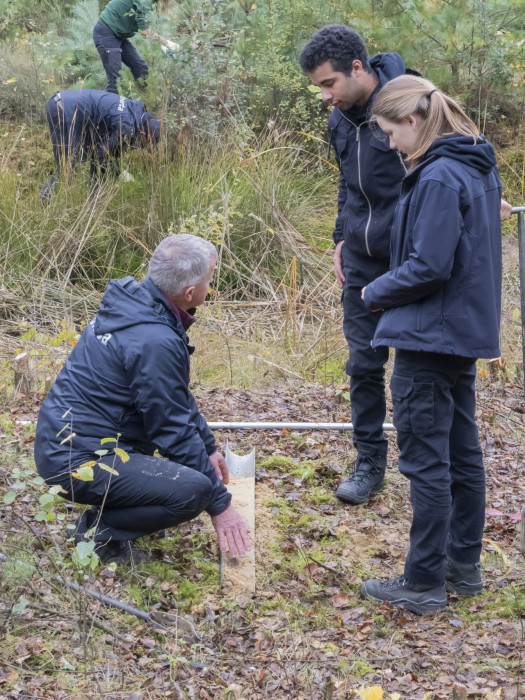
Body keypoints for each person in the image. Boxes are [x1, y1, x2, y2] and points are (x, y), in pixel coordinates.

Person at [299, 25, 512, 507]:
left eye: (329, 84)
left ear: (358, 68)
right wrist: (339, 238)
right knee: (362, 365)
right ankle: (369, 462)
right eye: (319, 88)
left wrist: (489, 196)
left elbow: (471, 148)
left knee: (426, 372)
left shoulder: (411, 105)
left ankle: (437, 469)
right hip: (360, 261)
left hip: (415, 263)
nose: (326, 96)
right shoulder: (339, 121)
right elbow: (346, 186)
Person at [359, 75, 502, 614]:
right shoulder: (473, 167)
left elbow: (430, 265)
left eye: (392, 132)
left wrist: (375, 290)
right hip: (457, 334)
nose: (391, 144)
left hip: (429, 335)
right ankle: (462, 567)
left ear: (415, 122)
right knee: (461, 453)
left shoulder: (440, 175)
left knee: (426, 461)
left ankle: (422, 581)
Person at [34, 234, 251, 565]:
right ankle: (96, 533)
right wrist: (221, 506)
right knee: (194, 491)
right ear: (189, 292)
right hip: (76, 460)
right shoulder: (153, 338)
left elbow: (173, 395)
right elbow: (172, 428)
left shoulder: (135, 306)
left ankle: (114, 512)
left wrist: (207, 447)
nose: (212, 285)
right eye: (210, 279)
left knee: (191, 465)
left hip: (66, 445)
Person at [39, 88, 161, 202]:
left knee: (78, 158)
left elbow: (100, 148)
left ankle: (93, 194)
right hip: (65, 109)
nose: (141, 146)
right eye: (146, 143)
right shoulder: (126, 127)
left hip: (63, 102)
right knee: (67, 165)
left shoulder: (134, 110)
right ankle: (45, 200)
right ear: (143, 133)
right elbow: (101, 154)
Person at [93, 0, 179, 95]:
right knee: (116, 80)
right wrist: (166, 42)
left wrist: (162, 46)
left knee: (140, 68)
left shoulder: (153, 3)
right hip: (106, 32)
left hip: (119, 35)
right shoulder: (145, 1)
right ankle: (109, 108)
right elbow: (145, 31)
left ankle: (144, 100)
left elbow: (146, 26)